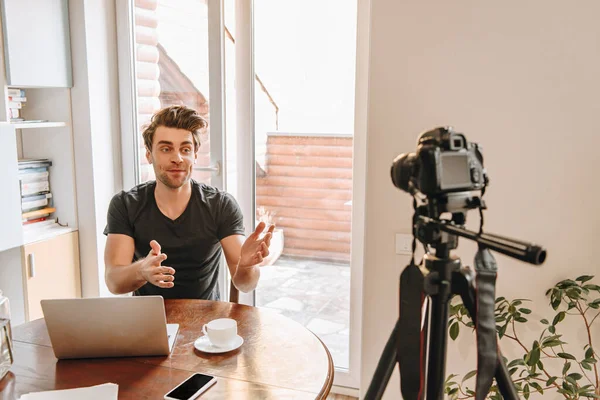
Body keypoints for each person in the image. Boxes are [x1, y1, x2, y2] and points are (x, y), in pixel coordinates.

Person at [103, 105, 274, 300]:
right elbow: (113, 282)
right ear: (149, 154)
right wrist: (141, 270)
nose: (177, 158)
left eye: (185, 149)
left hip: (207, 322)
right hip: (150, 321)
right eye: (166, 149)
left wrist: (247, 266)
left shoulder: (220, 205)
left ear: (194, 154)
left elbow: (245, 284)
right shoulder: (125, 204)